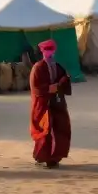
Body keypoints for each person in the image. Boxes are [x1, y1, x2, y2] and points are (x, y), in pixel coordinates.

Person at [29, 39, 71, 169]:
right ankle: (43, 157)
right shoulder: (38, 67)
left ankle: (54, 159)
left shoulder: (58, 67)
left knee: (59, 129)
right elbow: (35, 87)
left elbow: (65, 83)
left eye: (51, 49)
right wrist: (48, 89)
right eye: (47, 50)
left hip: (57, 103)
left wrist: (61, 84)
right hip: (42, 104)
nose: (49, 52)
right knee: (44, 131)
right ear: (42, 51)